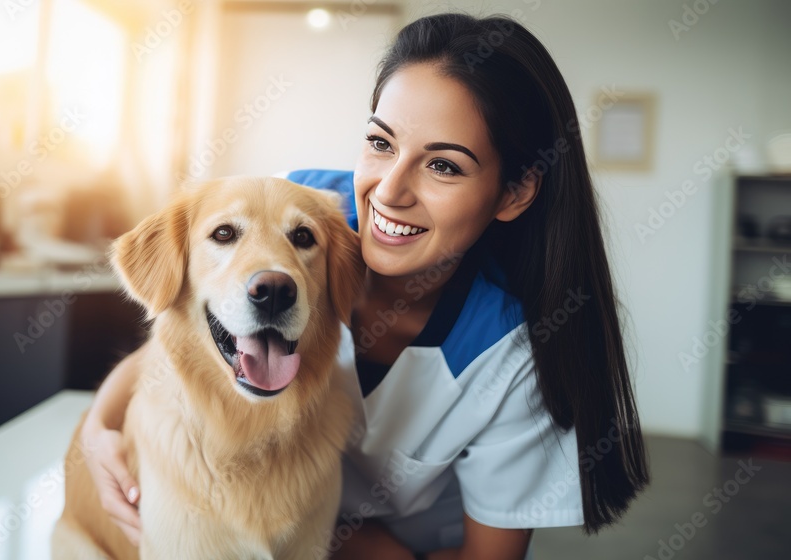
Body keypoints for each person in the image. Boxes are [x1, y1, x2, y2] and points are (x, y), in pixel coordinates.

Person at [79, 12, 649, 560]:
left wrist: (338, 543)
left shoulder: (513, 355)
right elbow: (184, 339)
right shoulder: (290, 212)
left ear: (514, 193)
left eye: (444, 166)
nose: (390, 191)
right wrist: (98, 428)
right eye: (381, 142)